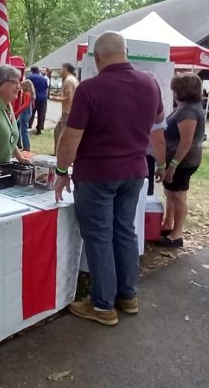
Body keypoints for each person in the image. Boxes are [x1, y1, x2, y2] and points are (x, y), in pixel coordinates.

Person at [54, 31, 163, 326]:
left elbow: (70, 138)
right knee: (125, 232)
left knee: (100, 237)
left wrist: (61, 172)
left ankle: (102, 305)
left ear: (98, 58)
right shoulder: (150, 83)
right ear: (126, 52)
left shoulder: (90, 89)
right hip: (135, 172)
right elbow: (158, 123)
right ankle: (128, 296)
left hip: (97, 175)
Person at [158, 72, 205, 248]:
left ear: (182, 90)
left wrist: (173, 166)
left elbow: (186, 142)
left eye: (175, 88)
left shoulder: (189, 111)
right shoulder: (185, 107)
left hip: (183, 162)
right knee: (170, 193)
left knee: (177, 196)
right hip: (179, 160)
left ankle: (176, 235)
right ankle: (168, 225)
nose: (173, 91)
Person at [50, 63, 79, 155]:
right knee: (57, 131)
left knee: (63, 134)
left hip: (68, 112)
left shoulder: (68, 81)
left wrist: (55, 99)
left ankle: (62, 154)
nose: (60, 71)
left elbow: (69, 98)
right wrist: (57, 95)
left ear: (65, 69)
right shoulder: (74, 79)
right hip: (72, 110)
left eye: (61, 69)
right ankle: (57, 152)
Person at [14, 79, 36, 152]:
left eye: (23, 85)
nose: (21, 87)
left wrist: (17, 112)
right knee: (17, 126)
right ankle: (18, 144)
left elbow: (25, 105)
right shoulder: (31, 94)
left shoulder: (26, 94)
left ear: (26, 86)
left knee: (24, 130)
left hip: (24, 113)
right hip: (28, 112)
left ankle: (26, 147)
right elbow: (33, 105)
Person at [27, 66, 49, 134]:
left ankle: (29, 126)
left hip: (33, 98)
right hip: (43, 98)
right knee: (42, 113)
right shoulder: (44, 78)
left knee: (31, 112)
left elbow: (26, 87)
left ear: (32, 71)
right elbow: (46, 89)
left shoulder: (29, 77)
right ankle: (39, 129)